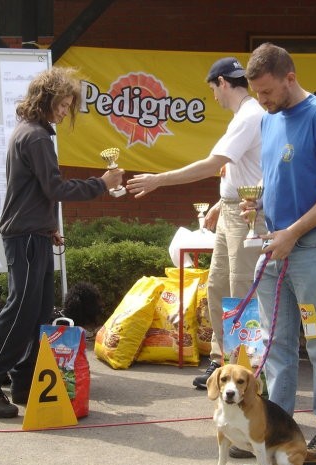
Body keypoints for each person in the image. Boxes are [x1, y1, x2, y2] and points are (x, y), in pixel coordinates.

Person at [0, 66, 124, 418]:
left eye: (69, 105)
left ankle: (24, 382)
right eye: (63, 103)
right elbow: (54, 188)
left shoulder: (32, 132)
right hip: (25, 236)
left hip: (31, 232)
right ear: (47, 98)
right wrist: (101, 183)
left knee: (37, 313)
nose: (65, 110)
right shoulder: (37, 136)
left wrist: (48, 223)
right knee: (21, 310)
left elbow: (36, 192)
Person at [126, 57, 267, 391]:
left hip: (248, 215)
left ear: (220, 83)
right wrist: (221, 201)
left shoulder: (249, 116)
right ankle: (220, 364)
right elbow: (245, 169)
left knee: (242, 291)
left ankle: (248, 371)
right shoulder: (244, 116)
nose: (214, 97)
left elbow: (213, 164)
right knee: (218, 287)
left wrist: (159, 180)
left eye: (213, 90)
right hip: (233, 209)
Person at [244, 43, 316, 462]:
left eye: (268, 91)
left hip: (312, 247)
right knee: (275, 346)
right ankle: (277, 431)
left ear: (290, 77)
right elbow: (282, 180)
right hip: (276, 246)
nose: (262, 100)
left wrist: (291, 231)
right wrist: (258, 206)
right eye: (256, 93)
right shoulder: (270, 120)